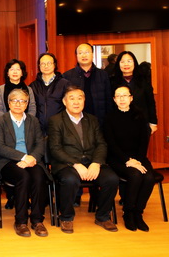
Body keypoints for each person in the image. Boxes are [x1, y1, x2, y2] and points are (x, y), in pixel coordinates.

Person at [48, 86, 119, 234]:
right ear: (64, 101)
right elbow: (55, 148)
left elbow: (101, 144)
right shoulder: (56, 120)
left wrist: (96, 163)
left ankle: (103, 216)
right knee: (70, 180)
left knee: (111, 179)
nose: (76, 102)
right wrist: (75, 164)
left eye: (80, 98)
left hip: (91, 161)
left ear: (84, 101)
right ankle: (66, 217)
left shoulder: (92, 119)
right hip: (66, 164)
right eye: (72, 98)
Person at [0, 89, 50, 237]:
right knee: (23, 177)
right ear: (9, 103)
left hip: (31, 160)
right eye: (14, 100)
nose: (18, 104)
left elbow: (40, 144)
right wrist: (23, 157)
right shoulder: (0, 121)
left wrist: (32, 158)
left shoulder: (33, 120)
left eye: (22, 101)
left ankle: (37, 220)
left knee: (39, 177)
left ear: (27, 104)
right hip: (8, 161)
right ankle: (21, 221)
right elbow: (0, 147)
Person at [104, 85, 155, 232]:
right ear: (114, 99)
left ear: (131, 98)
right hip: (118, 158)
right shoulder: (109, 118)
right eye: (118, 96)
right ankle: (128, 212)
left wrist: (137, 160)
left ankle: (138, 213)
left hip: (138, 157)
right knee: (135, 175)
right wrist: (128, 160)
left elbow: (144, 141)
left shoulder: (140, 116)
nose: (122, 99)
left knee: (149, 177)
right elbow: (111, 144)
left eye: (125, 95)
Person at [63, 43, 113, 127]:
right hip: (76, 121)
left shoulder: (103, 75)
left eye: (87, 52)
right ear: (76, 56)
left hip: (100, 120)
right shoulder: (67, 76)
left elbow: (108, 100)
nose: (84, 55)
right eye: (80, 53)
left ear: (92, 54)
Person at [110, 50, 157, 134]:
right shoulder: (112, 82)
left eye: (129, 61)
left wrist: (153, 122)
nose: (126, 64)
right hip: (119, 123)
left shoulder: (144, 81)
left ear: (134, 63)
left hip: (141, 123)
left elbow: (150, 103)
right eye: (122, 62)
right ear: (118, 64)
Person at [29, 53, 70, 136]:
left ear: (54, 65)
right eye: (43, 64)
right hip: (38, 130)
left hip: (59, 129)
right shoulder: (33, 86)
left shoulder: (65, 84)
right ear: (39, 66)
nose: (46, 66)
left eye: (49, 63)